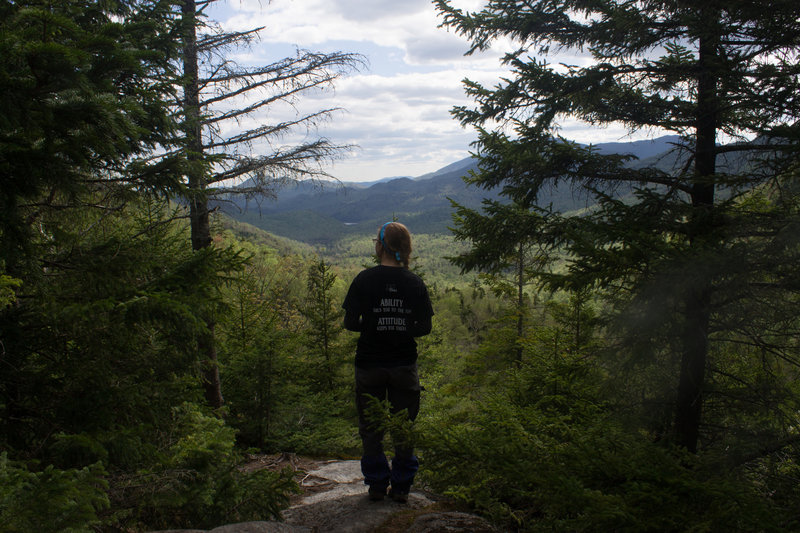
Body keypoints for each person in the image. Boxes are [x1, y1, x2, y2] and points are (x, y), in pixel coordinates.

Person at [342, 221, 434, 503]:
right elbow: (424, 327)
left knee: (371, 427)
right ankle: (403, 487)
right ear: (405, 248)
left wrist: (374, 326)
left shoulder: (363, 280)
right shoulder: (414, 282)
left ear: (379, 245)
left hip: (369, 363)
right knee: (403, 426)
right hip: (403, 365)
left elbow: (350, 323)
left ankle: (377, 485)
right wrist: (400, 328)